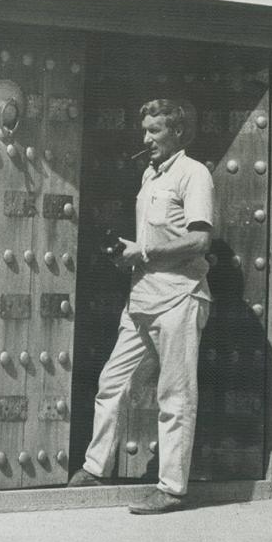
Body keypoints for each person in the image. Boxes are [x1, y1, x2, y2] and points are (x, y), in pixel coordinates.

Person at [68, 98, 214, 514]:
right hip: (142, 299)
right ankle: (96, 467)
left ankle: (171, 487)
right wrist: (131, 256)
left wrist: (144, 252)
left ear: (178, 133)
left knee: (175, 395)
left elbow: (200, 240)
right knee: (112, 382)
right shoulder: (150, 175)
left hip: (179, 298)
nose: (145, 138)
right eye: (144, 130)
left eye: (155, 131)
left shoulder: (194, 174)